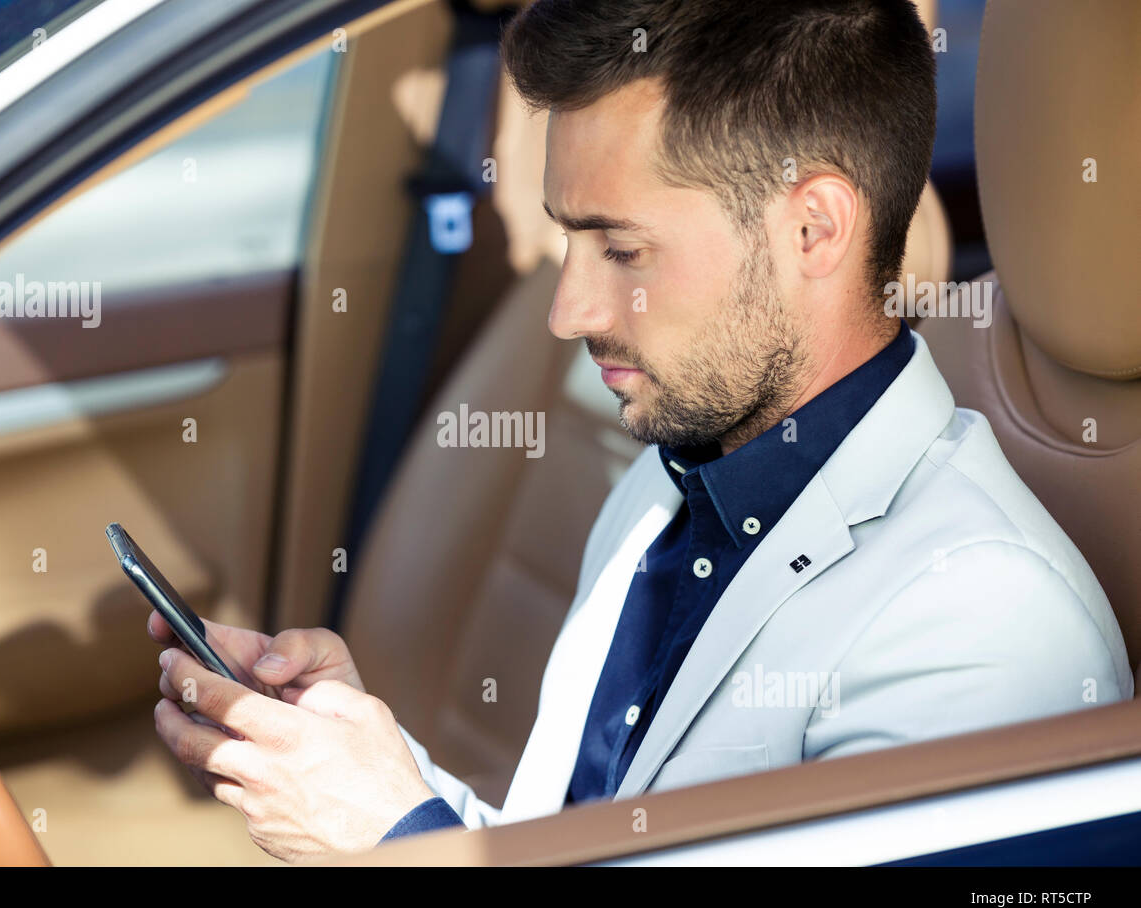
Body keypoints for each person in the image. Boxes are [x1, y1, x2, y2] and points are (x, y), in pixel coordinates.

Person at [148, 0, 1132, 862]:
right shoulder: (669, 485)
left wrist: (396, 839)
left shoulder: (978, 630)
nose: (568, 311)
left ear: (813, 231)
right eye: (569, 237)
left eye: (620, 248)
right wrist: (372, 771)